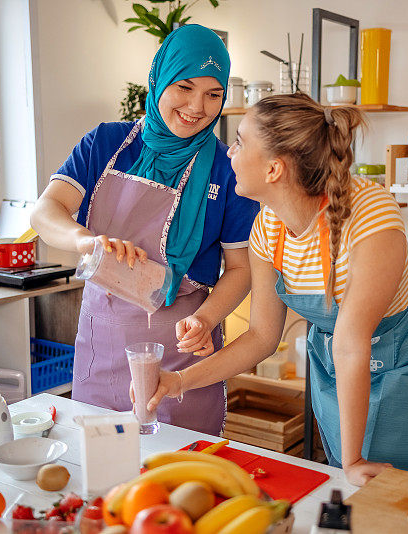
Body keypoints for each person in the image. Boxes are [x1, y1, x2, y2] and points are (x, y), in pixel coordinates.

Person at [142, 93, 408, 485]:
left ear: (273, 169)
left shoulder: (371, 216)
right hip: (336, 359)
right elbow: (261, 336)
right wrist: (178, 381)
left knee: (377, 485)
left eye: (240, 141)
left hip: (398, 358)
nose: (229, 153)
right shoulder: (267, 227)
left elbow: (353, 341)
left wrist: (353, 460)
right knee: (344, 480)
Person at [30, 25, 259, 435]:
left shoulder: (228, 168)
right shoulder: (107, 142)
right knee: (101, 472)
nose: (197, 106)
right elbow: (47, 211)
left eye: (213, 94)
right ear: (158, 80)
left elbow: (241, 269)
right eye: (184, 87)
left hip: (184, 349)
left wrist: (206, 320)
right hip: (103, 342)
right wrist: (85, 240)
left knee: (179, 480)